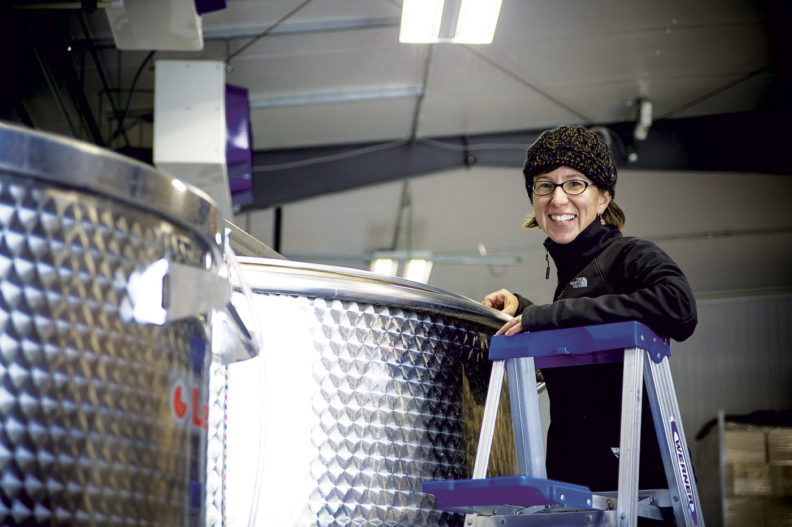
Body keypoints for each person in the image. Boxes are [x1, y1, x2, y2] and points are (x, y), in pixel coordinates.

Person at [483, 126, 697, 521]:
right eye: (544, 185)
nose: (557, 198)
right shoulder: (571, 279)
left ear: (603, 198)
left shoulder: (629, 256)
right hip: (578, 492)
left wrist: (545, 316)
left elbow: (679, 307)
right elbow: (582, 339)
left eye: (575, 184)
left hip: (637, 494)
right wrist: (525, 310)